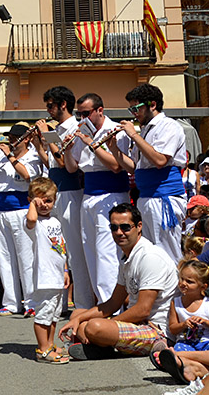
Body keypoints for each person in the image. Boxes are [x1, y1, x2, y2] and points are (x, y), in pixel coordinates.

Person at [60, 203, 178, 360]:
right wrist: (79, 319)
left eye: (125, 227)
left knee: (94, 327)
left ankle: (101, 343)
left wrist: (108, 324)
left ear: (139, 226)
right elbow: (113, 303)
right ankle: (102, 345)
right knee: (78, 314)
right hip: (137, 324)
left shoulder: (150, 257)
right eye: (114, 227)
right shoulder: (128, 257)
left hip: (156, 329)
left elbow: (143, 310)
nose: (119, 232)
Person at [64, 92, 132, 303]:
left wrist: (92, 142)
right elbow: (71, 167)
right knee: (90, 251)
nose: (82, 118)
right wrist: (66, 148)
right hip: (89, 194)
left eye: (86, 113)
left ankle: (111, 306)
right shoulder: (81, 132)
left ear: (99, 110)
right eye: (79, 114)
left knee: (106, 253)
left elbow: (115, 166)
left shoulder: (116, 132)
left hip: (111, 194)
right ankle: (100, 302)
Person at [111, 83, 188, 262]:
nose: (133, 113)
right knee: (149, 252)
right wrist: (114, 149)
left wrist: (134, 136)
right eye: (131, 108)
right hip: (146, 198)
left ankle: (174, 290)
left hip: (163, 198)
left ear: (152, 105)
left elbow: (160, 160)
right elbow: (134, 167)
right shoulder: (146, 130)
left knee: (167, 252)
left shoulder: (169, 126)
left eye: (136, 107)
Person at [42, 86, 93, 311]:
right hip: (56, 192)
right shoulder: (57, 129)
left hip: (71, 192)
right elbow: (51, 163)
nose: (48, 110)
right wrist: (39, 143)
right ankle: (59, 302)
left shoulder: (75, 127)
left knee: (74, 252)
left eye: (51, 105)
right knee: (56, 249)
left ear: (63, 104)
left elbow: (64, 162)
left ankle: (82, 302)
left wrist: (47, 136)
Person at [0, 123, 35, 316]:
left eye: (14, 138)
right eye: (10, 137)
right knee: (5, 258)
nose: (11, 141)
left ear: (26, 139)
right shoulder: (1, 159)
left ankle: (31, 302)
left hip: (21, 209)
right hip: (1, 210)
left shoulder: (32, 156)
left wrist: (10, 156)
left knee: (25, 257)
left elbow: (27, 175)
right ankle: (11, 302)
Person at [25, 177, 70, 364]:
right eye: (39, 200)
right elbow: (31, 218)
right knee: (44, 313)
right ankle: (42, 349)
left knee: (54, 313)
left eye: (49, 200)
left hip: (57, 275)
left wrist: (66, 270)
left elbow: (61, 247)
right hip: (44, 277)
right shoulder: (32, 222)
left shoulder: (55, 221)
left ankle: (50, 344)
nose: (44, 204)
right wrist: (33, 206)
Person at [164, 260, 209, 355]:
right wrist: (184, 324)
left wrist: (205, 322)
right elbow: (172, 328)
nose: (183, 283)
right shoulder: (176, 302)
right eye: (181, 279)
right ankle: (193, 360)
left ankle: (189, 360)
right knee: (179, 349)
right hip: (186, 343)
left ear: (203, 287)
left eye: (189, 281)